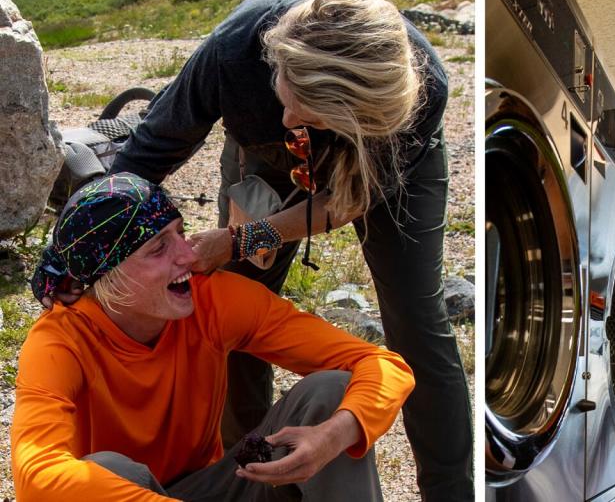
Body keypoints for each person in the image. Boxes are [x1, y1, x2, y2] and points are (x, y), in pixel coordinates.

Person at [89, 0, 470, 500]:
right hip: (263, 157)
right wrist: (85, 247)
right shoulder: (234, 52)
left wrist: (245, 235)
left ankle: (450, 491)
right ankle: (249, 475)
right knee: (236, 309)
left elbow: (347, 199)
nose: (291, 119)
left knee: (417, 324)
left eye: (309, 113)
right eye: (289, 97)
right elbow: (151, 149)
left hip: (379, 170)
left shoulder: (412, 93)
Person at [15, 173, 414, 500]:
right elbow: (38, 475)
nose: (188, 255)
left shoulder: (213, 299)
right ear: (107, 277)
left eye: (180, 233)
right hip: (121, 496)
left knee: (331, 393)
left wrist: (335, 434)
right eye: (158, 248)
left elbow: (382, 365)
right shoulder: (60, 341)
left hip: (214, 488)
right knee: (108, 468)